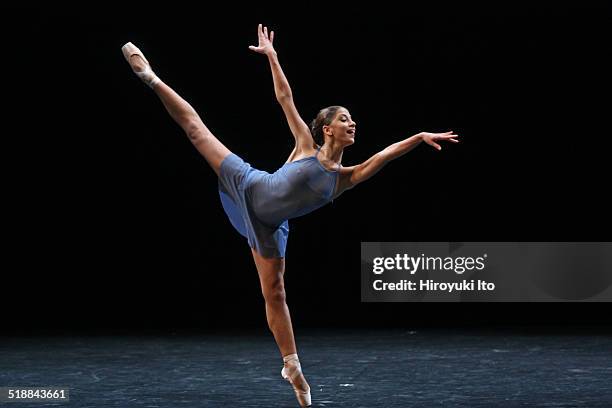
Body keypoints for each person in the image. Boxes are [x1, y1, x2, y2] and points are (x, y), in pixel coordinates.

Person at [122, 24, 458, 407]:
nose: (353, 123)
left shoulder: (345, 179)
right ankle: (150, 77)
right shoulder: (305, 145)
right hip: (250, 185)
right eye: (345, 119)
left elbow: (384, 155)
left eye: (353, 120)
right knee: (197, 130)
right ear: (327, 128)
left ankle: (293, 368)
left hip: (269, 226)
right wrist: (273, 57)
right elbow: (285, 97)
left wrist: (417, 138)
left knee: (276, 292)